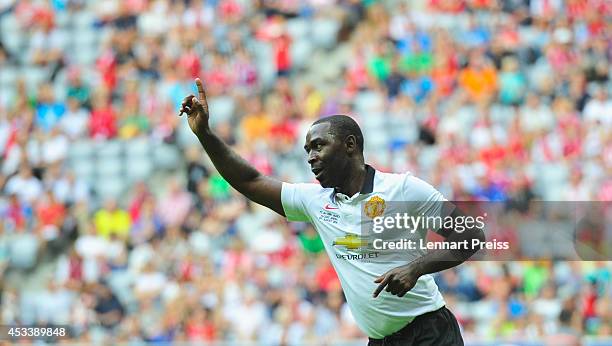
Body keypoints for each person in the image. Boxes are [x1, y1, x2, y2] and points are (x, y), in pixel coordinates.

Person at [179, 78, 485, 345]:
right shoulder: (314, 201)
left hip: (430, 333)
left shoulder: (403, 190)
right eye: (308, 150)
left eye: (318, 146)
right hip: (381, 341)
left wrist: (415, 268)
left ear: (350, 145)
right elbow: (250, 180)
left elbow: (473, 235)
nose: (311, 157)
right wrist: (205, 134)